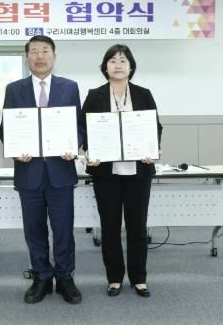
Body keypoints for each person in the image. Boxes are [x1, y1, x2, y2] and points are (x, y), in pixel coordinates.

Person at [0, 35, 85, 304]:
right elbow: (5, 129)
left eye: (45, 50)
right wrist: (16, 149)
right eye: (34, 51)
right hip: (29, 172)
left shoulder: (69, 87)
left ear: (54, 56)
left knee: (63, 230)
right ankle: (41, 277)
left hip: (60, 171)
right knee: (34, 230)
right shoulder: (14, 89)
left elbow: (79, 126)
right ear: (27, 58)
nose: (40, 56)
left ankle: (65, 277)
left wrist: (74, 144)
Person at [81, 44, 163, 298]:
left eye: (123, 60)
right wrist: (89, 151)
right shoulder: (94, 95)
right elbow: (84, 129)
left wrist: (152, 149)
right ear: (105, 66)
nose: (118, 65)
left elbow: (155, 127)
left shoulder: (143, 94)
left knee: (137, 227)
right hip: (106, 173)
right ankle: (114, 277)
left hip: (138, 171)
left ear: (131, 66)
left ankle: (139, 278)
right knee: (110, 226)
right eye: (113, 60)